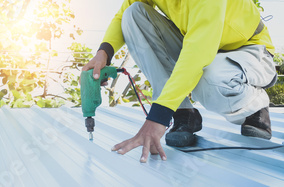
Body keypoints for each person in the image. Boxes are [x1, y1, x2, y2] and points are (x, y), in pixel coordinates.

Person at [82, 0, 277, 163]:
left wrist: (158, 117)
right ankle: (184, 113)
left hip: (248, 50)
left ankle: (255, 105)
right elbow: (122, 15)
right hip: (200, 44)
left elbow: (198, 53)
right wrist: (103, 53)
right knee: (133, 14)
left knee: (208, 82)